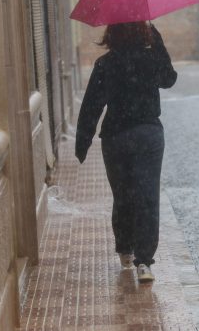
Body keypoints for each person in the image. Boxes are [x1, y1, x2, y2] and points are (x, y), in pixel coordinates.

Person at [75, 21, 177, 283]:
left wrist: (83, 141)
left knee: (123, 196)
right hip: (148, 134)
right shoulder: (150, 59)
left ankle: (125, 249)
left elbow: (92, 105)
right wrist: (158, 42)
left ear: (112, 33)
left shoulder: (105, 64)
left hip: (116, 137)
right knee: (147, 196)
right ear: (143, 31)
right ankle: (144, 262)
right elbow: (169, 78)